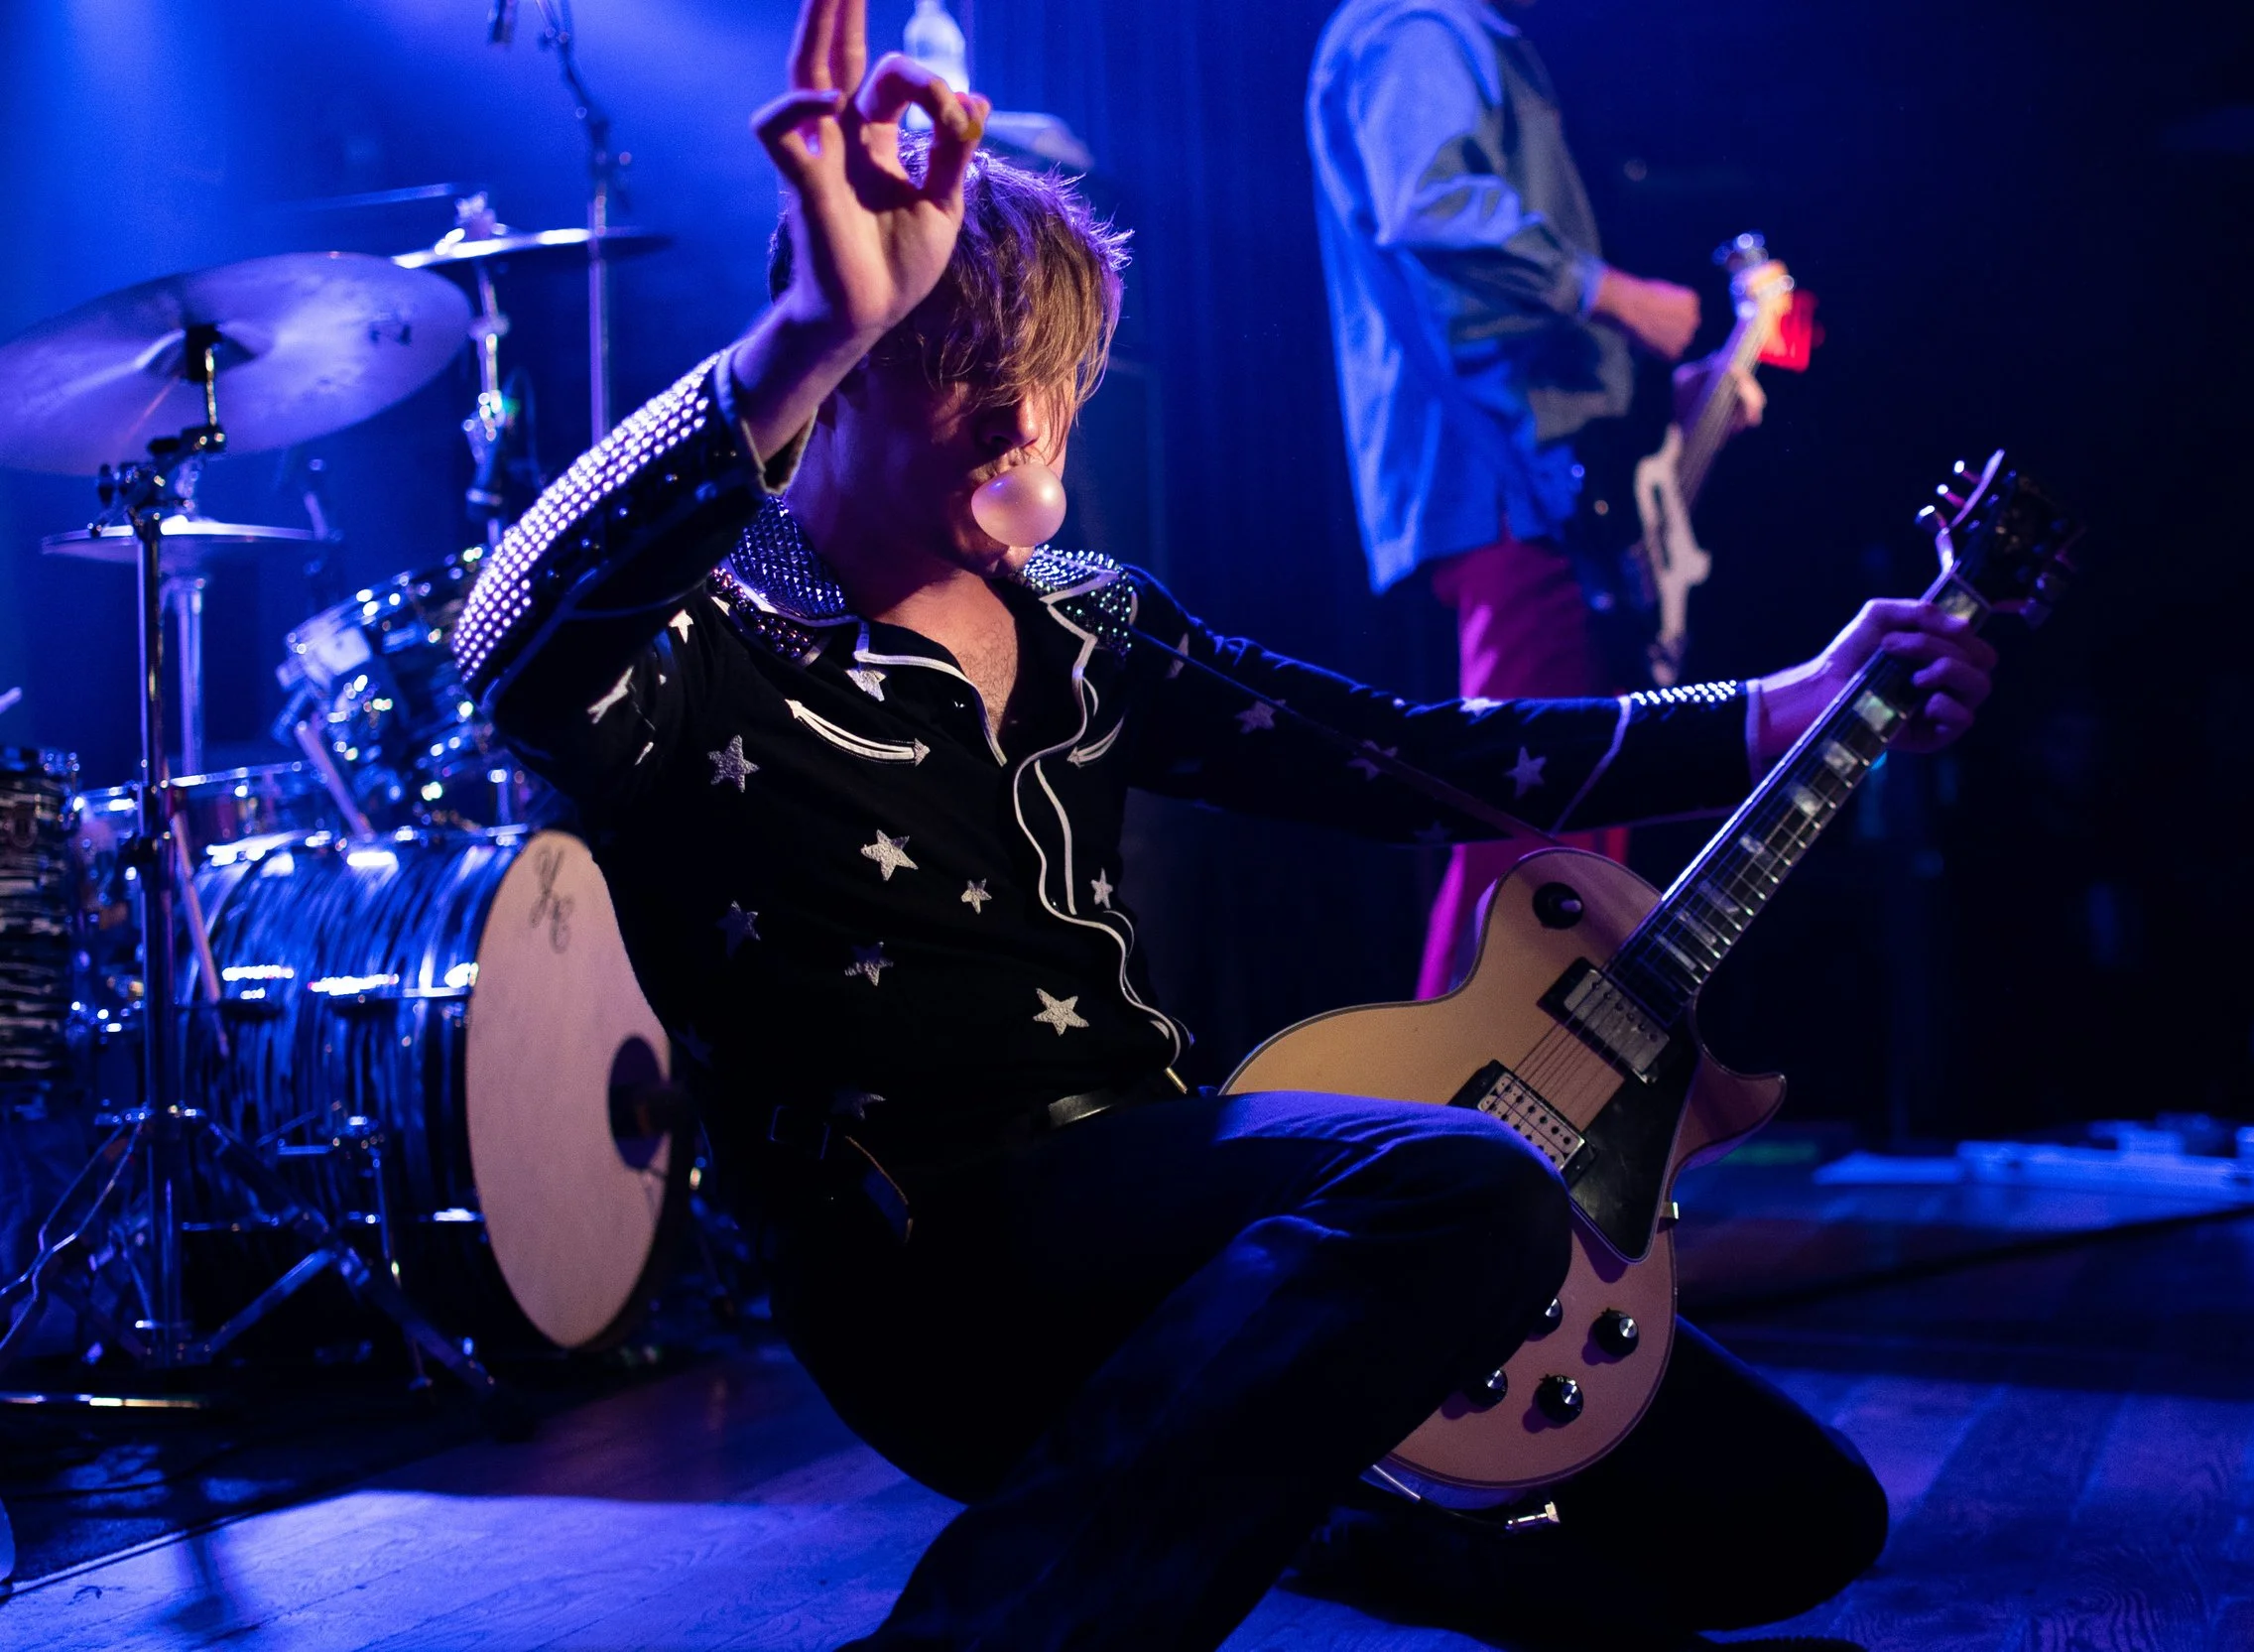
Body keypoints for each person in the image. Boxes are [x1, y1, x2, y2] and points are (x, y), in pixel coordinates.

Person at [451, 1, 1996, 1643]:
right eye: (961, 372)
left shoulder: (1090, 620)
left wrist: (1782, 705)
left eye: (1048, 383)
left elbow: (1414, 762)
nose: (1019, 427)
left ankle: (1326, 1530)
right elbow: (507, 642)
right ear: (843, 379)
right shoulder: (711, 643)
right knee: (1469, 1188)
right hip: (928, 1268)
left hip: (1172, 1223)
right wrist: (807, 330)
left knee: (1795, 1518)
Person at [1309, 0, 1774, 997]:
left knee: (1574, 824)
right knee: (1526, 827)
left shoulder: (1442, 32)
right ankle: (1444, 1090)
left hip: (1531, 470)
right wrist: (1617, 295)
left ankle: (1526, 1088)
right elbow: (1430, 207)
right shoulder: (1419, 27)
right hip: (1505, 476)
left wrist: (1674, 401)